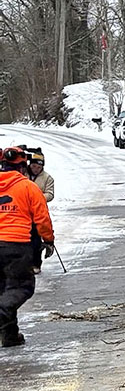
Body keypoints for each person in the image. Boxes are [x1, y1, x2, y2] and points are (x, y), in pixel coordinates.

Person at [0, 147, 54, 346]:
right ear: (22, 168)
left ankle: (10, 336)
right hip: (16, 246)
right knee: (22, 286)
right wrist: (48, 240)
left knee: (4, 290)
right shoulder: (28, 187)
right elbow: (42, 219)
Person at [24, 147, 53, 274]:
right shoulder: (23, 174)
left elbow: (50, 194)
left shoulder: (47, 178)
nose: (36, 169)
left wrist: (37, 198)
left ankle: (36, 263)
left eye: (38, 167)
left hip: (37, 212)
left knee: (36, 239)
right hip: (23, 212)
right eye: (34, 166)